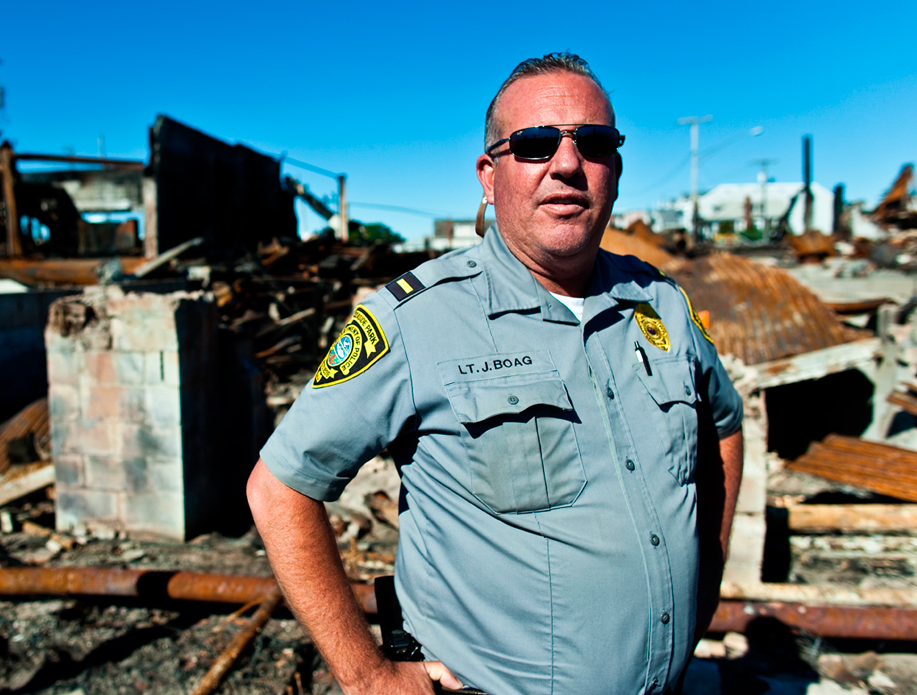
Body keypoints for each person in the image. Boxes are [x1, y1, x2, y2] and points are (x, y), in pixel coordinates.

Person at [247, 53, 744, 695]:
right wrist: (367, 675)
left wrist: (707, 572)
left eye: (593, 143)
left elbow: (723, 424)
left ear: (616, 171)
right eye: (535, 144)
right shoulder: (414, 319)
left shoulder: (663, 304)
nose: (567, 164)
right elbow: (280, 487)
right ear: (489, 176)